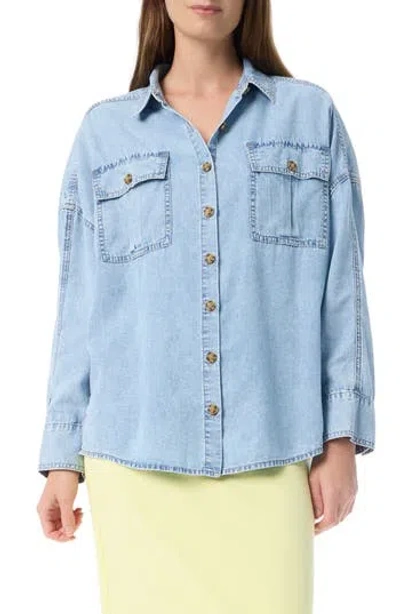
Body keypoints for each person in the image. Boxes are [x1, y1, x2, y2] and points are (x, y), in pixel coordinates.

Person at [36, 1, 376, 613]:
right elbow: (80, 306)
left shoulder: (309, 117)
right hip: (134, 463)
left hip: (272, 453)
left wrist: (342, 438)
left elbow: (342, 293)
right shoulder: (104, 134)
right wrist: (63, 458)